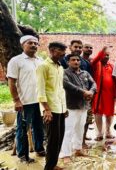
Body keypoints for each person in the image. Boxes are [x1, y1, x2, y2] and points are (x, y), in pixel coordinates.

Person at [7, 35, 45, 163]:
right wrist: (16, 100)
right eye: (30, 43)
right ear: (23, 45)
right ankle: (23, 155)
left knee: (39, 126)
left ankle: (40, 149)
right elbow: (11, 82)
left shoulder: (40, 61)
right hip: (25, 102)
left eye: (36, 43)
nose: (34, 45)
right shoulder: (16, 61)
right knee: (23, 128)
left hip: (40, 101)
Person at [59, 54, 96, 163]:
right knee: (68, 130)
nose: (76, 62)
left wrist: (91, 92)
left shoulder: (85, 73)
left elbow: (93, 83)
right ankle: (65, 154)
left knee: (80, 128)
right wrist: (83, 92)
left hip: (84, 105)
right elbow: (67, 85)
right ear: (68, 62)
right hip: (71, 106)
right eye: (73, 60)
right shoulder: (65, 73)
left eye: (77, 60)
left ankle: (78, 149)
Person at [37, 42, 68, 170]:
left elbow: (60, 89)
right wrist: (47, 109)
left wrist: (64, 107)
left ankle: (53, 164)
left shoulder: (60, 67)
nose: (64, 53)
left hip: (60, 107)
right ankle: (49, 167)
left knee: (59, 138)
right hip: (50, 109)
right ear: (52, 50)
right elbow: (40, 90)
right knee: (52, 139)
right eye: (61, 50)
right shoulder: (43, 66)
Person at [90, 47, 116, 141]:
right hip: (99, 94)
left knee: (109, 114)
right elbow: (95, 59)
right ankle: (99, 133)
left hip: (110, 94)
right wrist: (102, 50)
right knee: (98, 113)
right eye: (105, 55)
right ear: (100, 55)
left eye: (108, 55)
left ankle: (108, 132)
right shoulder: (96, 64)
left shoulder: (111, 66)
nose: (106, 56)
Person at [81, 43, 94, 148]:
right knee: (79, 119)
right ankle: (80, 141)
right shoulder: (78, 61)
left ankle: (83, 139)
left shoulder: (89, 62)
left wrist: (91, 91)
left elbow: (91, 79)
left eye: (91, 48)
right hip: (79, 95)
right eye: (87, 47)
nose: (89, 49)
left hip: (89, 94)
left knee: (87, 119)